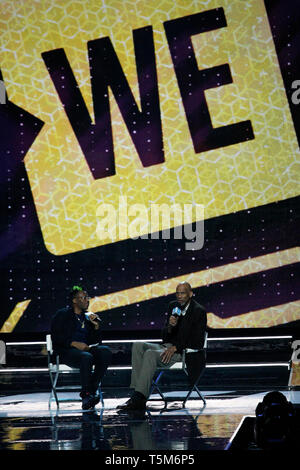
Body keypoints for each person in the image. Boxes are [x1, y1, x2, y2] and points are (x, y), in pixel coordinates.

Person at [117, 281, 207, 411]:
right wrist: (171, 326)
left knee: (150, 354)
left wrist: (176, 348)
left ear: (191, 294)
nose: (179, 296)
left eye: (183, 293)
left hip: (184, 352)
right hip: (168, 346)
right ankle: (137, 394)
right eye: (177, 293)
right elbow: (165, 336)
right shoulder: (173, 306)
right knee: (138, 346)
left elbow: (198, 340)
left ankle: (139, 399)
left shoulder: (198, 311)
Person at [51, 285, 112, 410]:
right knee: (86, 357)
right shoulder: (62, 315)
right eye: (83, 298)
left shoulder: (88, 317)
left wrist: (95, 327)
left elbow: (96, 342)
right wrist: (73, 343)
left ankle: (90, 390)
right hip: (67, 351)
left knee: (105, 351)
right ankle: (87, 396)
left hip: (85, 350)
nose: (87, 300)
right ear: (74, 300)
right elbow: (56, 337)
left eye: (87, 298)